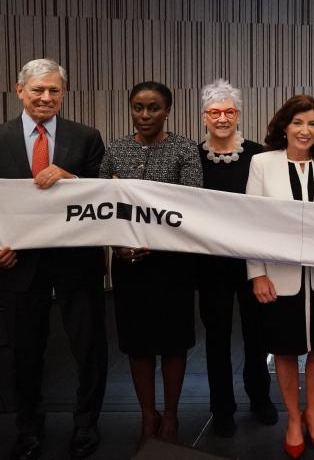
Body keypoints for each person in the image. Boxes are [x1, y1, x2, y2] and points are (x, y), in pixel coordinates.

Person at [0, 59, 107, 460]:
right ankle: (28, 428)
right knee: (25, 352)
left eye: (54, 91)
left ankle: (86, 424)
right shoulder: (1, 137)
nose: (46, 98)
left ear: (63, 93)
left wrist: (73, 181)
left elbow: (103, 195)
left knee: (89, 348)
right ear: (19, 90)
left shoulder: (86, 137)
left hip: (76, 262)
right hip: (18, 265)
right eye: (38, 90)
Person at [100, 81, 203, 448]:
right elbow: (102, 210)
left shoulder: (185, 150)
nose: (145, 115)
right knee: (137, 344)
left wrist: (153, 239)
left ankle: (171, 414)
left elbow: (190, 207)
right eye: (138, 107)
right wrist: (120, 246)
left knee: (173, 343)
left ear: (168, 111)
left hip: (172, 266)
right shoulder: (115, 150)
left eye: (153, 108)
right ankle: (147, 414)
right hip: (128, 266)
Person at [246, 94, 314, 458]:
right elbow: (251, 223)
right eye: (298, 122)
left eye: (313, 124)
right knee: (285, 350)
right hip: (278, 275)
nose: (306, 130)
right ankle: (293, 418)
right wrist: (257, 274)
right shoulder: (262, 163)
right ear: (284, 126)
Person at [195, 79, 277, 437]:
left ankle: (259, 397)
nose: (223, 118)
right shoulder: (191, 158)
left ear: (238, 114)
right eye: (215, 112)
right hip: (210, 263)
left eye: (229, 111)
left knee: (258, 335)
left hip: (252, 263)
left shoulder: (260, 156)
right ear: (204, 117)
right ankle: (222, 407)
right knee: (215, 336)